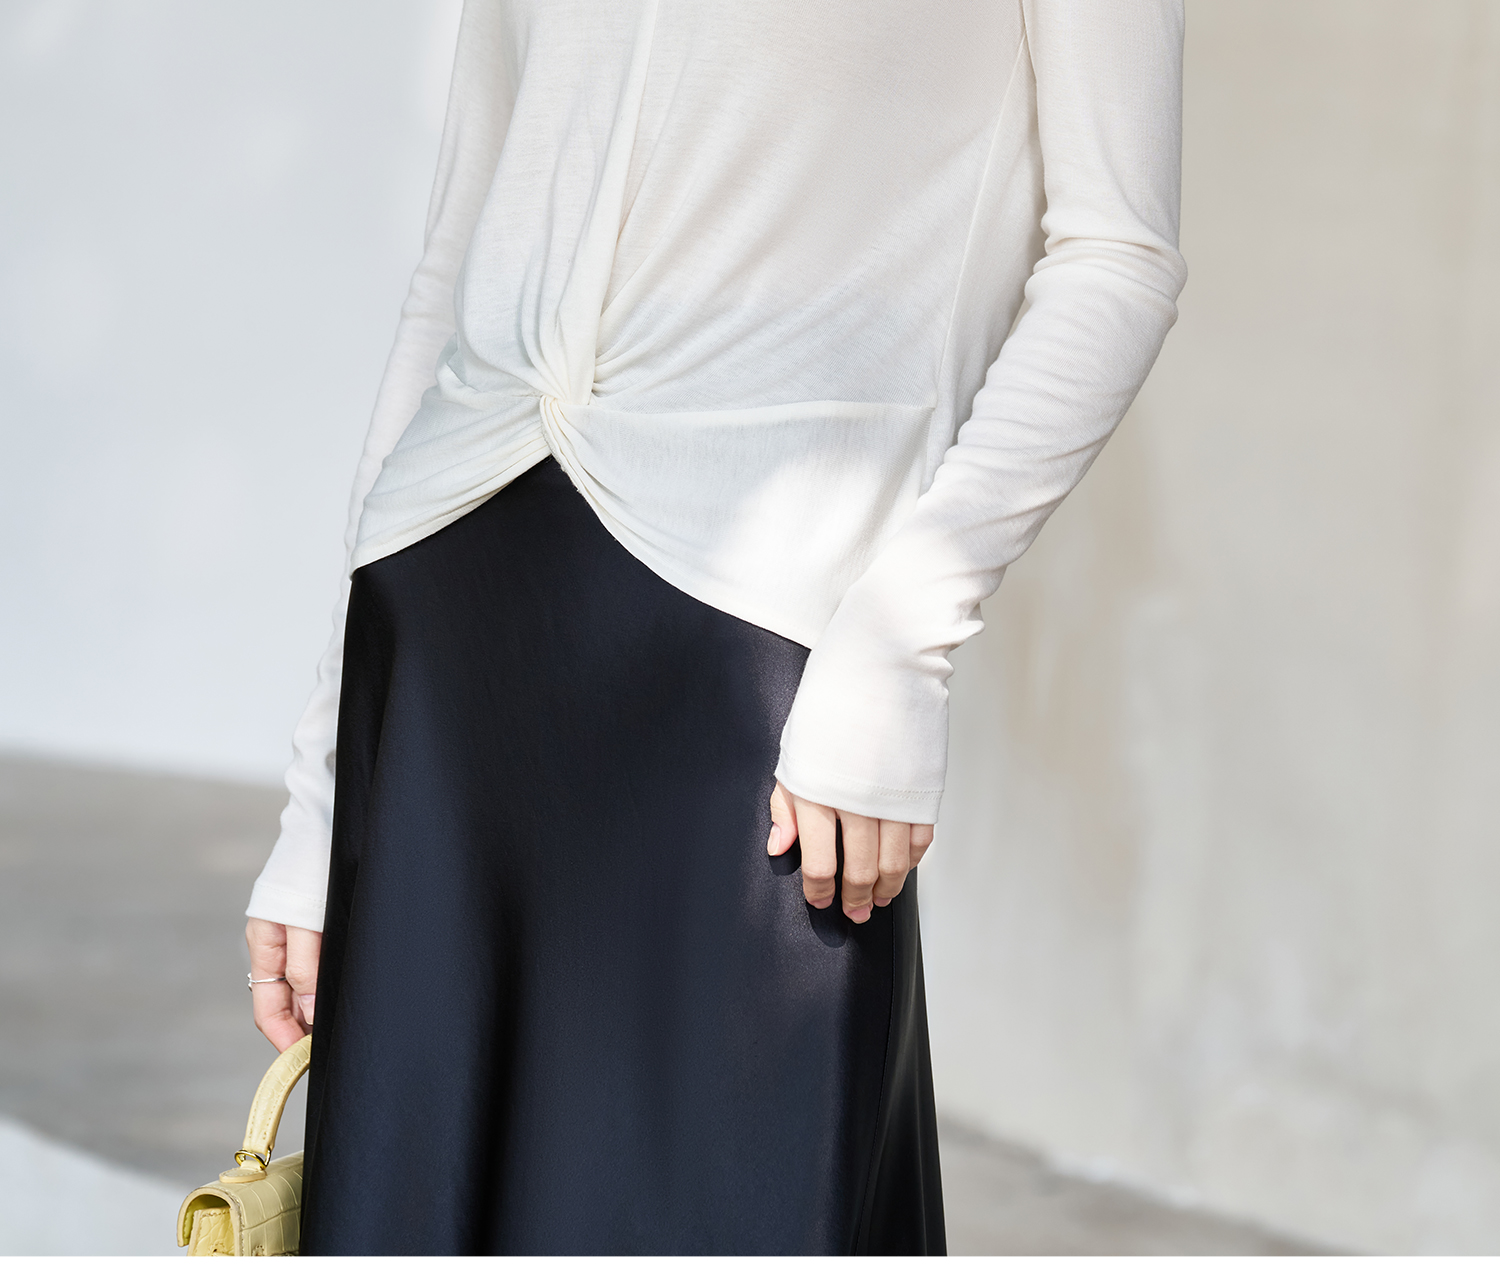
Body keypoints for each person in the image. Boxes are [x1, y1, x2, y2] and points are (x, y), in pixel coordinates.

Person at [243, 0, 1186, 1253]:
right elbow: (458, 258)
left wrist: (904, 632)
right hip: (446, 635)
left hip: (755, 667)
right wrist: (320, 793)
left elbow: (1119, 255)